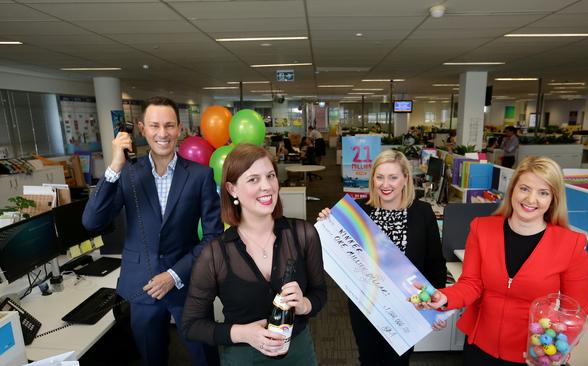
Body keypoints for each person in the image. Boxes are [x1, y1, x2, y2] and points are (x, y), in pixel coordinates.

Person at [82, 96, 222, 366]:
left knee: (205, 356)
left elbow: (214, 237)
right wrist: (114, 167)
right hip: (141, 286)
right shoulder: (127, 173)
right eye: (154, 125)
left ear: (179, 129)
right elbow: (92, 221)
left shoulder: (200, 175)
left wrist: (173, 275)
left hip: (187, 283)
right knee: (151, 359)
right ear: (141, 128)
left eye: (169, 126)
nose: (162, 133)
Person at [426, 156, 588, 365]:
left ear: (553, 199)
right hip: (480, 347)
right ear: (512, 189)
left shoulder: (571, 245)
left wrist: (554, 351)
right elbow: (471, 284)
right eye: (524, 188)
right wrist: (444, 297)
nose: (531, 199)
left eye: (543, 193)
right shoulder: (482, 229)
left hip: (532, 353)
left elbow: (576, 312)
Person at [182, 144, 327, 365]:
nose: (267, 186)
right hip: (243, 356)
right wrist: (243, 333)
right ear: (232, 189)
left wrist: (305, 304)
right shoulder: (215, 254)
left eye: (270, 176)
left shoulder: (303, 234)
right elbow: (191, 325)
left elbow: (320, 293)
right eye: (253, 179)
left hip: (299, 353)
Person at [318, 149, 447, 366]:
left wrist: (438, 308)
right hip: (366, 305)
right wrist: (328, 221)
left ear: (406, 178)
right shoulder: (358, 211)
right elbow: (337, 254)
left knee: (398, 362)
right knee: (368, 359)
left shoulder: (422, 213)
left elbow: (435, 263)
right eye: (380, 177)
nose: (385, 184)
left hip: (407, 308)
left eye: (393, 177)